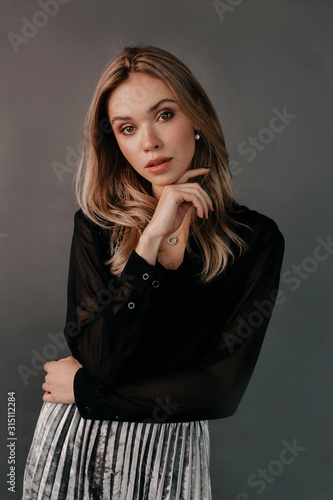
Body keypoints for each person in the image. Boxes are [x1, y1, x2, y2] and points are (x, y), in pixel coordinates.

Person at [22, 44, 285, 499]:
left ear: (197, 117)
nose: (148, 143)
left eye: (163, 115)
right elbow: (103, 356)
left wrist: (88, 390)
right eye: (127, 128)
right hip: (74, 440)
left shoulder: (255, 240)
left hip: (169, 453)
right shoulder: (97, 224)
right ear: (116, 142)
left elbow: (219, 391)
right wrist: (148, 250)